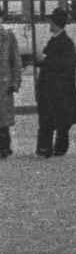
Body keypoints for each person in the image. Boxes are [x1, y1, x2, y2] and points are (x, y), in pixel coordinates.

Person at [36, 7, 76, 158]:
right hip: (49, 86)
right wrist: (40, 60)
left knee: (59, 119)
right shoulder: (55, 40)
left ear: (56, 24)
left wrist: (45, 59)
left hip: (60, 88)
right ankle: (45, 147)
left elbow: (63, 64)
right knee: (47, 117)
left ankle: (58, 148)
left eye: (51, 22)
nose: (49, 24)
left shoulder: (66, 42)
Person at [0, 11, 22, 159]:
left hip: (4, 84)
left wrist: (15, 81)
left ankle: (4, 147)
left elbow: (16, 61)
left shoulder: (8, 36)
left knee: (3, 120)